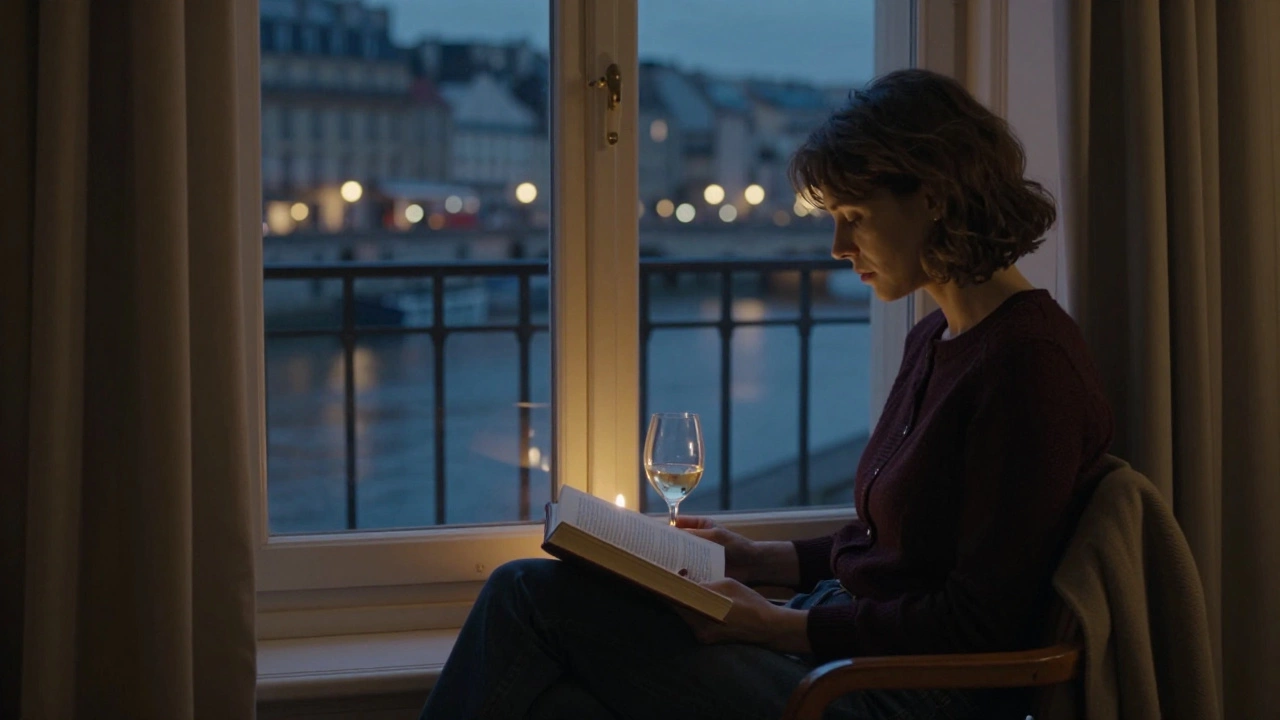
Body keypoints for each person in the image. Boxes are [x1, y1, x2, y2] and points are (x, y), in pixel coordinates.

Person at [419, 68, 1114, 720]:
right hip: (848, 650)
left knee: (526, 597)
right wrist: (763, 560)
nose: (838, 245)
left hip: (889, 692)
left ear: (931, 198)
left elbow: (980, 622)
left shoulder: (1029, 366)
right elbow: (898, 546)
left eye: (855, 215)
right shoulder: (939, 338)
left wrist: (779, 623)